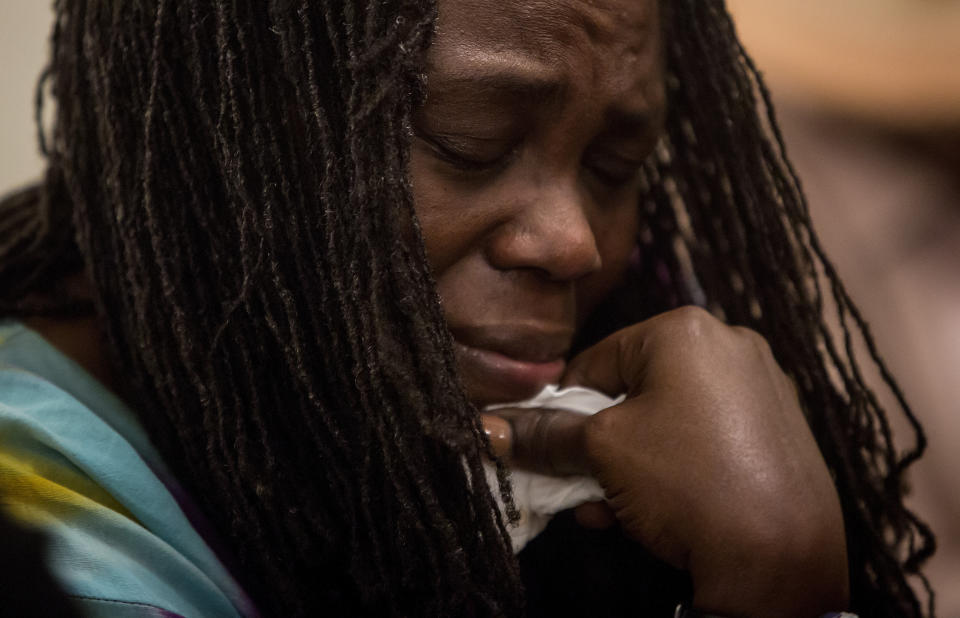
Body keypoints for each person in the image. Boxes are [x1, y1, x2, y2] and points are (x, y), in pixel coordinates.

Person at [0, 0, 934, 616]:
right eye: (471, 143)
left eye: (614, 168)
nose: (578, 243)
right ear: (219, 135)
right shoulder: (43, 537)